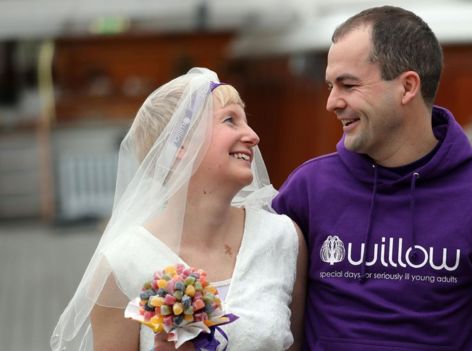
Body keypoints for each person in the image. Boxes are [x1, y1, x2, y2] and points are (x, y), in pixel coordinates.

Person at [272, 6, 472, 350]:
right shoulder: (307, 190)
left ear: (407, 87)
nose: (332, 102)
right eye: (331, 86)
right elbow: (259, 310)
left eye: (348, 84)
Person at [51, 67, 307, 351]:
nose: (253, 136)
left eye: (246, 122)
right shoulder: (122, 264)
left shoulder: (283, 239)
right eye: (230, 120)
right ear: (181, 143)